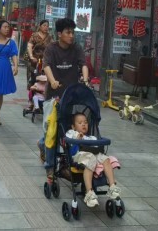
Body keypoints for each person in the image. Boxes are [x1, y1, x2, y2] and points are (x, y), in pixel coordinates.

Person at [38, 18, 89, 179]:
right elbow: (46, 66)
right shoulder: (51, 49)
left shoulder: (76, 48)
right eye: (68, 32)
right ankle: (50, 167)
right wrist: (52, 81)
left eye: (73, 32)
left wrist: (85, 80)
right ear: (59, 34)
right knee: (52, 132)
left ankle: (66, 163)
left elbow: (83, 64)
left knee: (69, 131)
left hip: (71, 97)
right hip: (53, 97)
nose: (71, 35)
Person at [66, 112, 121, 208]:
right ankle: (89, 193)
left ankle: (112, 187)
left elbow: (97, 149)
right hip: (79, 155)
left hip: (93, 154)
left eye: (85, 122)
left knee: (106, 159)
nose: (83, 124)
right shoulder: (71, 133)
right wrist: (77, 139)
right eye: (80, 123)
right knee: (91, 158)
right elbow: (71, 146)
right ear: (73, 126)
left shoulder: (92, 137)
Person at [25, 20, 52, 110]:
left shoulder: (50, 37)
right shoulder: (35, 35)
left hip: (45, 63)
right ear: (40, 26)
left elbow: (53, 47)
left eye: (47, 26)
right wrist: (31, 56)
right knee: (32, 80)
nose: (46, 27)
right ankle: (30, 101)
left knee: (44, 81)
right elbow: (29, 46)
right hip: (34, 61)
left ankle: (42, 100)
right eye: (44, 25)